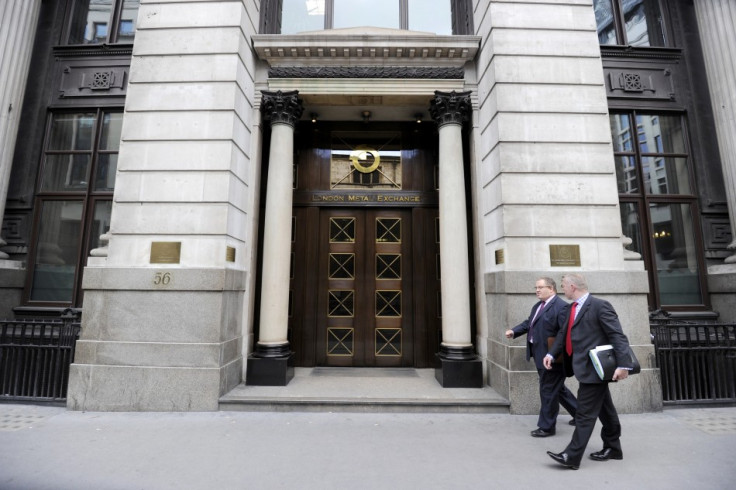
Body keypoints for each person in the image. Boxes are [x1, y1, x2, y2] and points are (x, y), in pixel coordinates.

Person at [543, 273, 634, 470]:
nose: (562, 289)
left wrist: (624, 365)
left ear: (572, 286)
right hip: (582, 367)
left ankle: (572, 455)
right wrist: (552, 354)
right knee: (605, 409)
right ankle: (613, 447)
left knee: (584, 414)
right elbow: (563, 334)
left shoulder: (600, 306)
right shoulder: (571, 308)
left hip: (595, 369)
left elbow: (617, 336)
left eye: (563, 286)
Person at [505, 277, 577, 437]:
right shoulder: (539, 305)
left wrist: (552, 354)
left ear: (551, 289)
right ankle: (579, 414)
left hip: (552, 357)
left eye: (540, 287)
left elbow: (563, 334)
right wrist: (514, 331)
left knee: (548, 390)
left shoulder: (561, 307)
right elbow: (529, 323)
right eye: (536, 287)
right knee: (556, 389)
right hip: (539, 354)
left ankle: (547, 427)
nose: (537, 290)